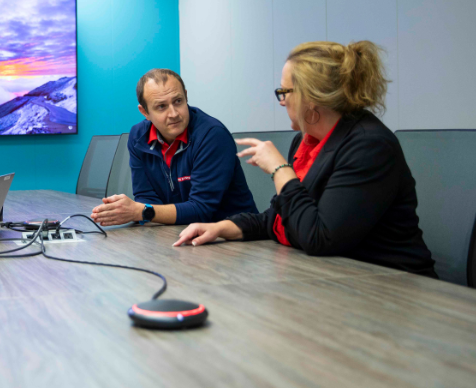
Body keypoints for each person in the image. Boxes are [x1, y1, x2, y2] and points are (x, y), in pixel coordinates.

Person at [174, 41, 437, 278]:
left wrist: (280, 170)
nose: (281, 101)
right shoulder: (305, 140)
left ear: (311, 97)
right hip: (334, 278)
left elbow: (320, 237)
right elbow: (280, 218)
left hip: (391, 284)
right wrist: (220, 228)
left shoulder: (370, 146)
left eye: (284, 91)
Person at [91, 68, 257, 226]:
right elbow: (147, 197)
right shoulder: (138, 137)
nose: (174, 114)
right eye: (161, 106)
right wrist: (137, 211)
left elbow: (201, 209)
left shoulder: (213, 135)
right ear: (145, 112)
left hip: (234, 239)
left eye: (178, 101)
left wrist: (140, 212)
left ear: (186, 96)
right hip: (179, 233)